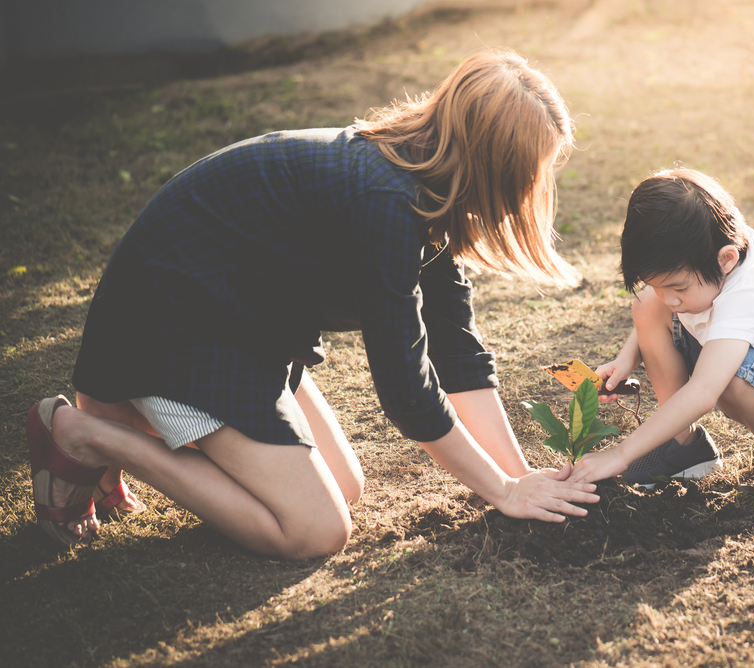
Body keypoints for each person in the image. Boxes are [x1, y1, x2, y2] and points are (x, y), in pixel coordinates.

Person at [26, 48, 600, 557]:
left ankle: (122, 424)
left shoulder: (428, 189)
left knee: (344, 488)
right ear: (492, 166)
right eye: (529, 174)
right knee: (314, 532)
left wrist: (521, 478)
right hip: (172, 328)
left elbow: (458, 358)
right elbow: (408, 391)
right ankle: (88, 434)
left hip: (243, 326)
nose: (529, 192)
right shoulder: (388, 201)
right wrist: (500, 492)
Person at [568, 169, 754, 506]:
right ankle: (685, 444)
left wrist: (621, 454)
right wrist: (628, 357)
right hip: (745, 360)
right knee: (646, 307)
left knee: (735, 377)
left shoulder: (750, 294)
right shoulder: (711, 267)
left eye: (677, 288)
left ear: (725, 259)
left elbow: (702, 393)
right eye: (655, 283)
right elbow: (660, 301)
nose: (668, 298)